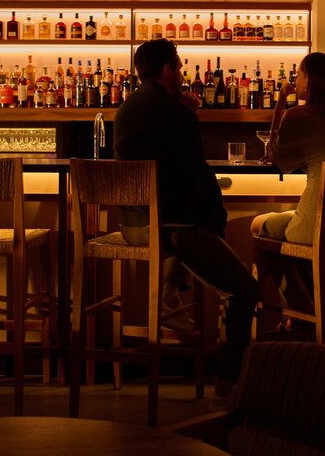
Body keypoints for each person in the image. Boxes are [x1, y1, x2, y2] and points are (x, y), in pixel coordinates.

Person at [113, 38, 258, 397]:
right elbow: (196, 176)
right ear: (167, 70)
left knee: (196, 231)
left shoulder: (126, 108)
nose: (181, 74)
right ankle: (229, 386)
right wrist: (216, 223)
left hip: (136, 227)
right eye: (178, 68)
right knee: (243, 289)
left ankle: (171, 294)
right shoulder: (178, 115)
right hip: (172, 229)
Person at [250, 51, 325, 313]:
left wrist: (280, 102)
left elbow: (275, 158)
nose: (296, 79)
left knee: (260, 226)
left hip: (316, 224)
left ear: (310, 80)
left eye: (300, 74)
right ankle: (315, 303)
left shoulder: (297, 115)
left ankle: (301, 308)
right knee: (296, 230)